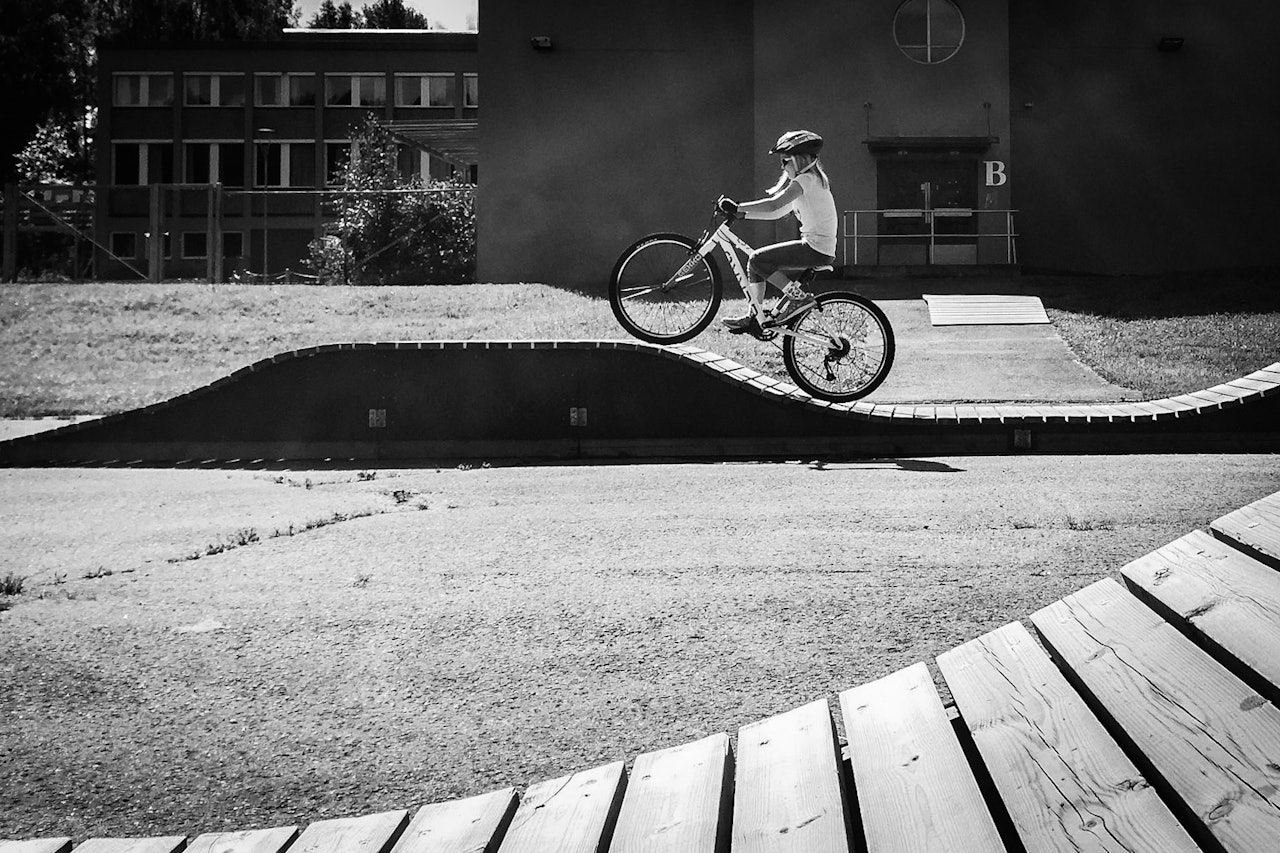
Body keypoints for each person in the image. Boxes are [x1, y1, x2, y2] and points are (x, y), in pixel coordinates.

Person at [716, 129, 837, 334]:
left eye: (785, 160)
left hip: (815, 248)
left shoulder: (805, 181)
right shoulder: (809, 182)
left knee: (757, 259)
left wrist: (738, 207)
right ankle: (754, 315)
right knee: (755, 264)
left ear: (799, 159)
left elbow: (772, 205)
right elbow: (776, 213)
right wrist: (743, 216)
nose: (782, 166)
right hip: (819, 247)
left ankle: (797, 299)